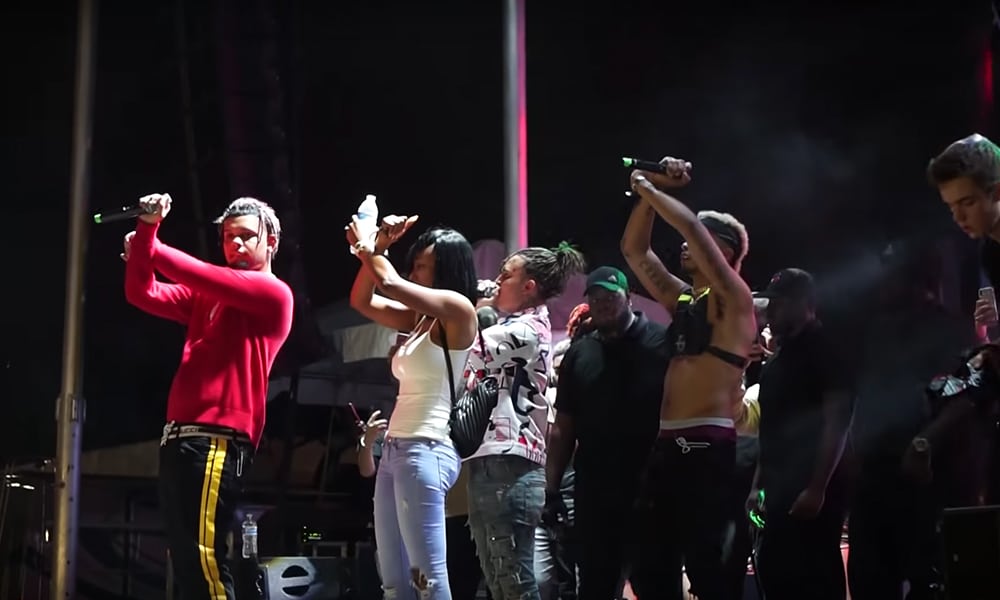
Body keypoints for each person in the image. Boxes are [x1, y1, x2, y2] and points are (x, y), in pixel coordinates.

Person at [122, 194, 294, 600]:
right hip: (184, 438)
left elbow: (195, 273)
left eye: (246, 236)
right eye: (229, 237)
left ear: (271, 242)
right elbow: (142, 293)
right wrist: (144, 248)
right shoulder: (209, 295)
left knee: (204, 563)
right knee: (188, 562)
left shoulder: (273, 292)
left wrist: (149, 237)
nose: (235, 245)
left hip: (217, 440)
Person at [620, 157, 755, 600]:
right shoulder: (685, 300)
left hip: (706, 447)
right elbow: (635, 252)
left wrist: (651, 188)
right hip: (667, 446)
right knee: (649, 567)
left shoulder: (734, 300)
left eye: (704, 239)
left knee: (708, 568)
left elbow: (690, 229)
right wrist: (646, 192)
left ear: (724, 252)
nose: (685, 245)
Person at [348, 215, 479, 599]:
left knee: (427, 578)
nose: (415, 271)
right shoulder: (420, 319)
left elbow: (389, 283)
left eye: (423, 265)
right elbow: (362, 300)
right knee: (393, 579)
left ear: (447, 268)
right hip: (395, 449)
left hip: (427, 447)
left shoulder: (458, 310)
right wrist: (375, 251)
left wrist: (368, 248)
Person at [465, 243, 586, 600]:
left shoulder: (527, 329)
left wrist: (475, 308)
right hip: (493, 457)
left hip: (511, 463)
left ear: (529, 286)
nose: (496, 281)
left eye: (506, 275)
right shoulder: (514, 326)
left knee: (513, 576)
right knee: (498, 575)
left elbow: (468, 350)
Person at [545, 267, 670, 600]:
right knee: (595, 587)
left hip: (653, 492)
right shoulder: (579, 353)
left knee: (657, 586)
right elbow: (564, 426)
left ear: (628, 298)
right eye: (596, 297)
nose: (602, 303)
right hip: (595, 493)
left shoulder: (662, 343)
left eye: (610, 296)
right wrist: (552, 489)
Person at [746, 268, 854, 600]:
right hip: (779, 491)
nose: (770, 311)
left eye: (779, 303)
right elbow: (769, 428)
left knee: (816, 577)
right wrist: (757, 486)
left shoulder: (826, 349)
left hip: (812, 490)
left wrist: (818, 488)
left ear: (804, 303)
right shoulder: (778, 361)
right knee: (777, 574)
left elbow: (838, 420)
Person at [927, 133, 1000, 338]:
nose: (958, 217)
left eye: (967, 203)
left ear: (997, 192)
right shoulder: (990, 253)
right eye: (951, 206)